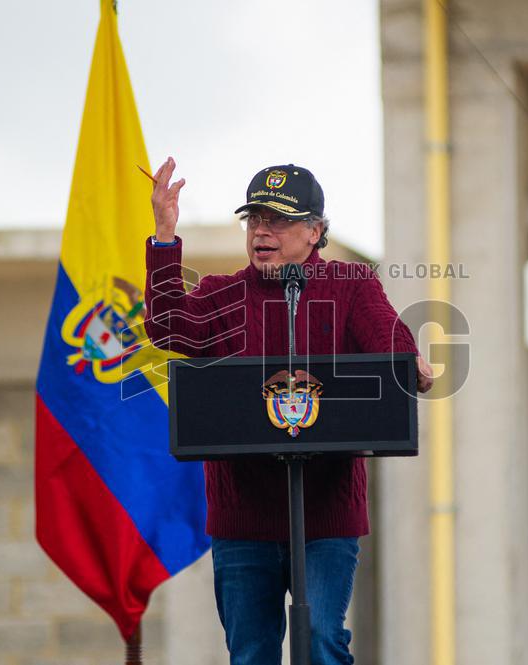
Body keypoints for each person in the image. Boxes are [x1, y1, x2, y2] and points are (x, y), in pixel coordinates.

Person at [143, 157, 433, 665]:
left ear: (315, 231)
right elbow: (169, 327)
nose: (261, 231)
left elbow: (388, 339)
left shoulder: (351, 285)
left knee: (323, 638)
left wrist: (408, 361)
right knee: (251, 652)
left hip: (325, 511)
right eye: (254, 219)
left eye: (277, 220)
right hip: (243, 517)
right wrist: (165, 235)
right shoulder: (220, 294)